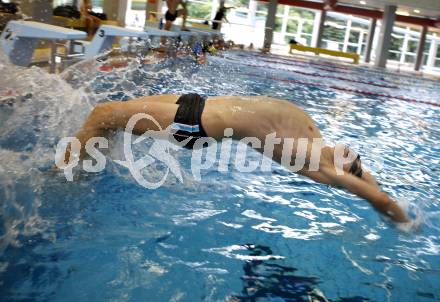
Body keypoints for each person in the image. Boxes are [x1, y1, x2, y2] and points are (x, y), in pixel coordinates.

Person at [60, 94, 409, 223]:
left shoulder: (311, 157)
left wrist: (401, 217)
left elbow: (376, 198)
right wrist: (367, 178)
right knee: (107, 122)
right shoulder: (315, 137)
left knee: (101, 114)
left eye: (354, 164)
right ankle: (83, 172)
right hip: (198, 106)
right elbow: (364, 176)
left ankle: (61, 180)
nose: (355, 156)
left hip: (193, 123)